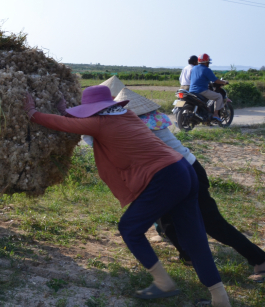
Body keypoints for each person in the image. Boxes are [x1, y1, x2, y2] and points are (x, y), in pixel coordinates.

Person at [24, 86, 232, 307]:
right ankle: (221, 301)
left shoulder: (98, 123)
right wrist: (66, 110)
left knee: (129, 228)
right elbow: (78, 121)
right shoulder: (126, 114)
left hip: (165, 178)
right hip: (183, 169)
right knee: (194, 238)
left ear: (93, 110)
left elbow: (65, 125)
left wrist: (33, 113)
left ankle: (163, 283)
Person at [112, 88, 265, 283]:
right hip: (177, 171)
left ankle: (260, 259)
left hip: (185, 171)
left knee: (212, 223)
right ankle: (189, 256)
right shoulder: (153, 118)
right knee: (165, 219)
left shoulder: (140, 125)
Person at [189, 54, 227, 122]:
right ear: (206, 62)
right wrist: (224, 82)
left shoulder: (194, 68)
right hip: (202, 90)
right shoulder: (207, 70)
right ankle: (215, 114)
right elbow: (216, 80)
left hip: (191, 90)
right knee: (219, 96)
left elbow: (191, 78)